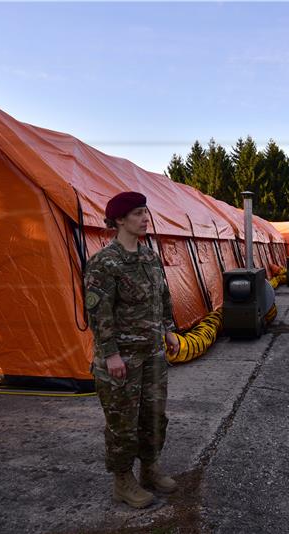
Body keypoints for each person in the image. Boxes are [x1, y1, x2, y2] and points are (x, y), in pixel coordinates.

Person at [83, 191, 181, 509]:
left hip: (153, 354)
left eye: (145, 212)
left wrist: (169, 330)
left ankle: (150, 470)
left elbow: (163, 296)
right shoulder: (104, 263)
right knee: (122, 421)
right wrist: (110, 354)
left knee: (153, 416)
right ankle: (123, 481)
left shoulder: (149, 257)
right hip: (122, 358)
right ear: (120, 220)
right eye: (138, 213)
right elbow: (99, 314)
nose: (145, 218)